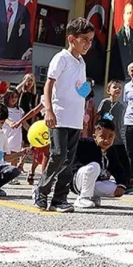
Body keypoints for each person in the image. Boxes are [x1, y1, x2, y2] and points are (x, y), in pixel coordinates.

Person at [33, 17, 93, 213]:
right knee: (58, 154)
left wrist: (85, 105)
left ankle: (60, 198)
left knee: (69, 160)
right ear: (71, 38)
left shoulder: (82, 62)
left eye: (91, 40)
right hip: (59, 116)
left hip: (75, 119)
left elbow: (80, 89)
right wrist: (48, 110)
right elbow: (49, 84)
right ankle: (41, 191)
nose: (88, 44)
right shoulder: (61, 58)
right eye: (84, 39)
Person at [71, 119, 129, 209]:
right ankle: (82, 198)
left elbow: (118, 170)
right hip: (78, 181)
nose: (106, 140)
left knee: (115, 189)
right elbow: (74, 142)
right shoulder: (86, 144)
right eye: (103, 137)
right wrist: (79, 131)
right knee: (94, 166)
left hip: (96, 182)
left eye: (110, 137)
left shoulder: (111, 151)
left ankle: (93, 197)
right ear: (95, 137)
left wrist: (122, 184)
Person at [97, 79, 132, 192]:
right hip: (105, 139)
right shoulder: (105, 103)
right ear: (108, 90)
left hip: (118, 139)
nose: (117, 89)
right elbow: (98, 116)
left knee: (124, 161)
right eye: (114, 87)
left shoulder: (123, 106)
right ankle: (100, 179)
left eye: (119, 88)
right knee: (104, 160)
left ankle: (126, 183)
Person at [16, 72, 38, 175]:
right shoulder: (21, 93)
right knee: (19, 142)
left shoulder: (34, 95)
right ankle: (16, 164)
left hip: (29, 120)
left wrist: (33, 124)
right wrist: (23, 82)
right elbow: (16, 90)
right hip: (20, 119)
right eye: (28, 80)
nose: (29, 83)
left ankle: (21, 164)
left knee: (27, 143)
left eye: (31, 81)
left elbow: (34, 110)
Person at [2, 89, 24, 184]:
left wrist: (31, 130)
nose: (14, 99)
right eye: (12, 97)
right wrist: (10, 123)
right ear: (7, 97)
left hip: (16, 135)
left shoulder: (20, 110)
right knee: (4, 154)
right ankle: (2, 173)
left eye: (16, 97)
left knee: (15, 155)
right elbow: (4, 119)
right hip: (6, 133)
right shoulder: (4, 108)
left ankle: (12, 176)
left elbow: (24, 122)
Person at [115, 3, 133, 77]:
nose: (129, 16)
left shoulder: (132, 31)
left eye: (131, 13)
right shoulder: (119, 34)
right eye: (127, 13)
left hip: (130, 67)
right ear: (124, 15)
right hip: (122, 67)